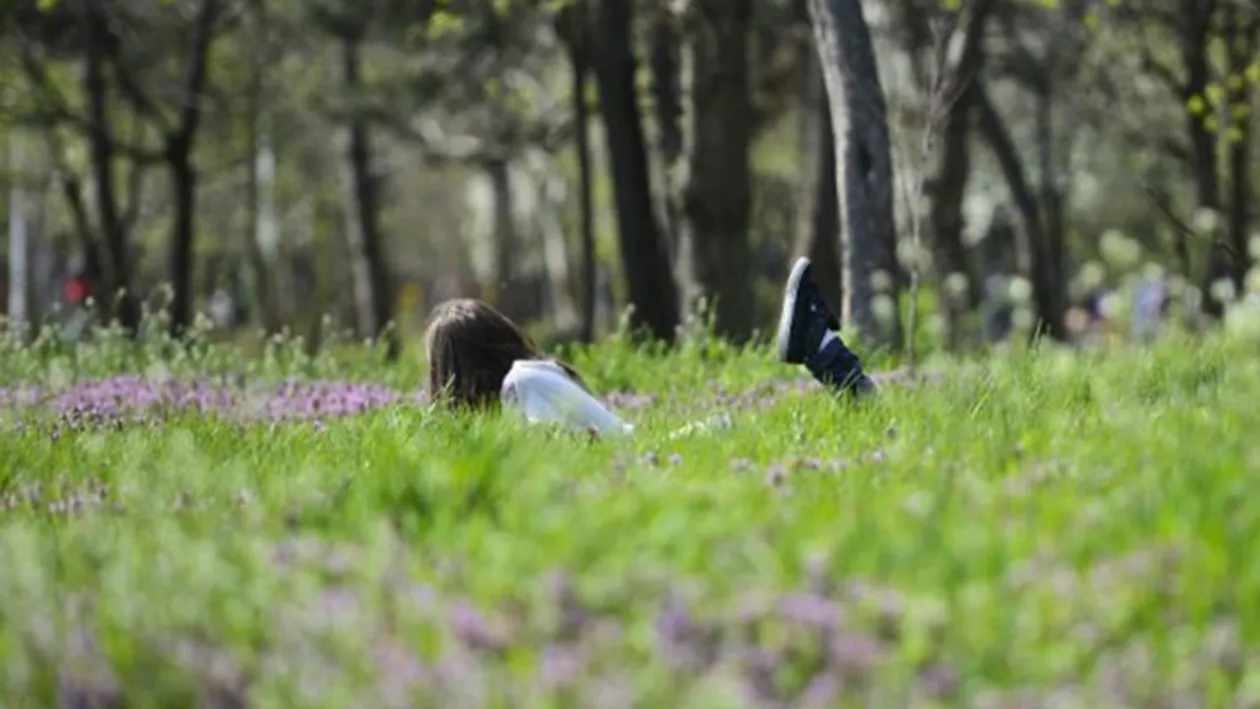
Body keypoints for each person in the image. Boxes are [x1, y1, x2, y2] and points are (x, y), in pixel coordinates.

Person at [423, 257, 875, 436]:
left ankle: (819, 346)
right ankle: (823, 349)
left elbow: (558, 450)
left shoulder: (519, 384)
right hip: (669, 452)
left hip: (666, 457)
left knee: (838, 428)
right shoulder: (525, 383)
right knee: (839, 428)